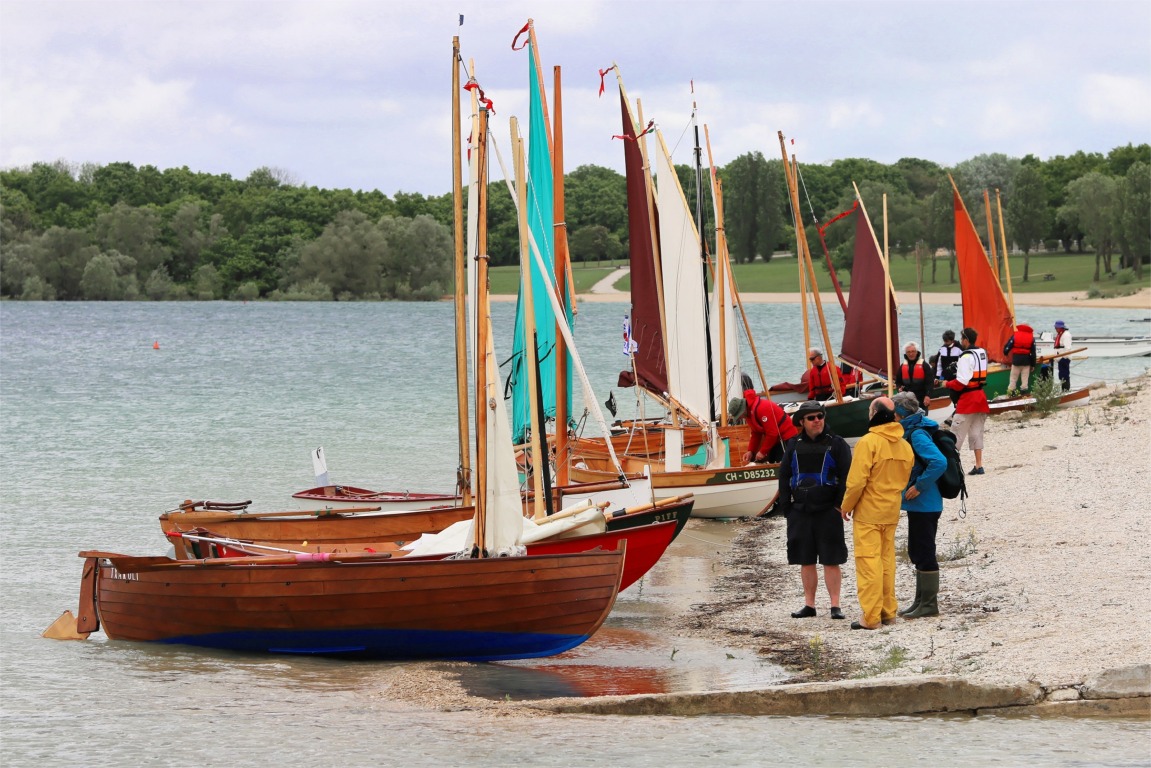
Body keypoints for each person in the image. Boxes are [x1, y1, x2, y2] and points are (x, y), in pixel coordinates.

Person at [839, 397, 914, 630]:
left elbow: (856, 481)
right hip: (891, 509)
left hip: (869, 511)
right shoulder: (904, 445)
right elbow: (904, 478)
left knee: (868, 562)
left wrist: (846, 506)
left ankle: (871, 617)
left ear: (874, 414)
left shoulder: (868, 442)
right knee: (886, 561)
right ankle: (888, 612)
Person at [775, 400, 853, 620]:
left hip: (829, 510)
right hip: (800, 511)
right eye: (812, 418)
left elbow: (847, 476)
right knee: (805, 559)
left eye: (820, 416)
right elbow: (783, 476)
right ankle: (809, 605)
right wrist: (786, 507)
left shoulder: (837, 444)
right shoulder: (793, 445)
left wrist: (839, 504)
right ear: (802, 422)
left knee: (831, 559)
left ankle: (835, 606)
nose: (817, 421)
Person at [891, 391, 946, 619]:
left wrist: (919, 486)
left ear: (899, 414)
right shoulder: (911, 429)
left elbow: (939, 461)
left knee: (924, 551)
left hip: (926, 503)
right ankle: (920, 601)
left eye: (892, 413)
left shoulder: (916, 434)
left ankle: (929, 605)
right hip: (920, 505)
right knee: (917, 551)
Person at [945, 327, 990, 475]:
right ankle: (979, 465)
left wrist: (946, 384)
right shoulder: (982, 352)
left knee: (955, 435)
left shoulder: (965, 357)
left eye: (961, 339)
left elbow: (961, 382)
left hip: (968, 401)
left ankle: (952, 469)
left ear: (965, 340)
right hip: (981, 398)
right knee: (976, 433)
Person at [740, 388, 798, 464]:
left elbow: (773, 433)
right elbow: (756, 433)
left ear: (743, 410)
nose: (740, 418)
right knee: (772, 461)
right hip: (776, 440)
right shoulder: (748, 414)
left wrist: (762, 452)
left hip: (787, 437)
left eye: (739, 415)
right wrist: (751, 451)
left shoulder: (761, 408)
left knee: (782, 464)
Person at [895, 342, 935, 410]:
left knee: (921, 418)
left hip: (921, 398)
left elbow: (930, 382)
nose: (911, 354)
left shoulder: (924, 365)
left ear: (917, 352)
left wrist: (928, 396)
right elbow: (898, 381)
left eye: (913, 351)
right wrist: (899, 388)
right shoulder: (902, 366)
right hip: (907, 399)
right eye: (908, 352)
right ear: (906, 353)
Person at [1003, 322, 1037, 397]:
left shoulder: (1015, 335)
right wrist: (1033, 365)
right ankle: (1023, 396)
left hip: (1016, 361)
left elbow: (1007, 348)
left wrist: (1005, 353)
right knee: (1024, 381)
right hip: (1026, 362)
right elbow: (1033, 353)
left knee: (1013, 380)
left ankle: (1010, 396)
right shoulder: (1031, 338)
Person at [936, 330, 964, 406]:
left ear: (952, 340)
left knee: (955, 395)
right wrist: (938, 377)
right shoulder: (942, 349)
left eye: (947, 341)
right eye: (944, 341)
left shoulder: (960, 349)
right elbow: (939, 364)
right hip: (945, 378)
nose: (945, 343)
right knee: (946, 396)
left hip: (956, 378)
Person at [1052, 320, 1073, 391]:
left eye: (1057, 328)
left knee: (1064, 375)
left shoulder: (1066, 335)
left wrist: (1064, 357)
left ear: (1061, 328)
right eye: (1055, 328)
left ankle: (1066, 390)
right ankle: (1063, 389)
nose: (1056, 329)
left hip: (1064, 358)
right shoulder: (1060, 334)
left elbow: (1068, 348)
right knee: (1061, 375)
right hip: (1060, 357)